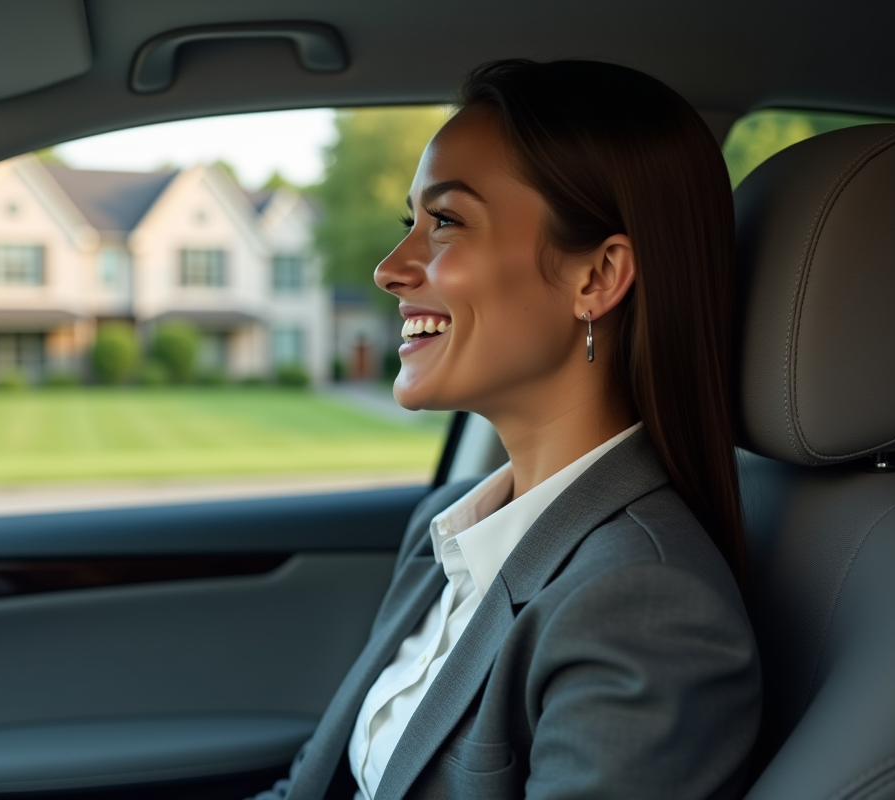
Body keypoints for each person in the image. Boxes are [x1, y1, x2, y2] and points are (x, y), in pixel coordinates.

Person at [255, 59, 761, 800]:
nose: (391, 268)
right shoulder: (448, 532)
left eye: (447, 222)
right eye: (411, 224)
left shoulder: (643, 609)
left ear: (596, 279)